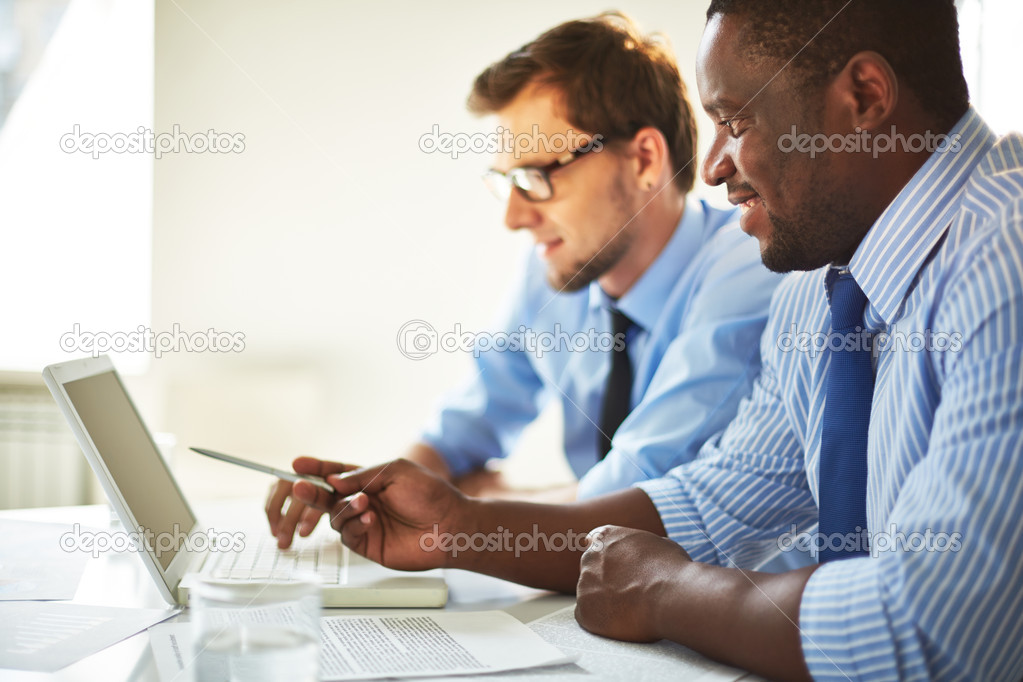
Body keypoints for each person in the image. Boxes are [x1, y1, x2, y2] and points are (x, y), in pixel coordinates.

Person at [279, 0, 1023, 679]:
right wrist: (462, 527)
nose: (712, 167)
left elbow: (929, 626)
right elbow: (715, 502)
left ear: (863, 96)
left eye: (735, 121)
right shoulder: (820, 281)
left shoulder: (1004, 262)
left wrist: (671, 590)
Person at [268, 13, 782, 549]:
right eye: (507, 183)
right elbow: (471, 421)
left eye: (536, 178)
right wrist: (374, 495)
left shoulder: (749, 265)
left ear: (644, 159)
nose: (513, 218)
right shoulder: (555, 271)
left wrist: (469, 507)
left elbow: (636, 494)